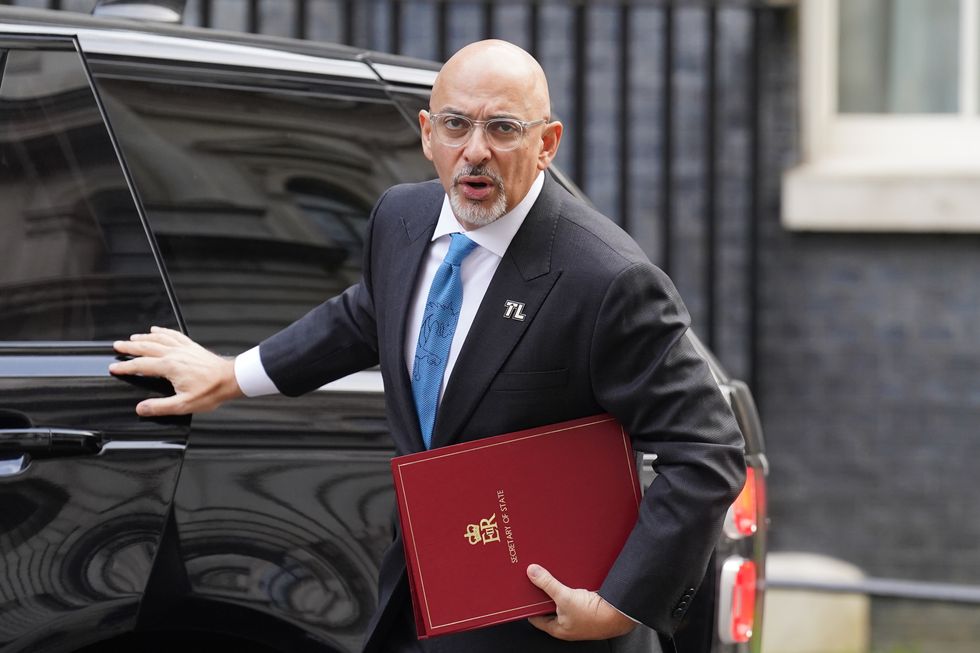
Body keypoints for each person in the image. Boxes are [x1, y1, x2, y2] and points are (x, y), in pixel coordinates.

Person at [110, 39, 745, 653]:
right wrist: (231, 376)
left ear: (547, 143)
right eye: (455, 124)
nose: (475, 150)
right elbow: (366, 314)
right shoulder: (401, 218)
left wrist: (619, 605)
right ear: (426, 132)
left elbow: (707, 450)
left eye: (503, 128)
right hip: (414, 606)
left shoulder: (607, 280)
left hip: (541, 629)